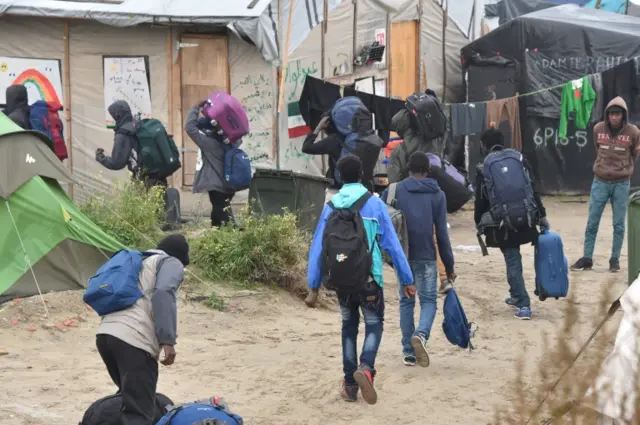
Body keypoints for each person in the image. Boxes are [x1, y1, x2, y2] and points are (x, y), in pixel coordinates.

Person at [306, 155, 414, 405]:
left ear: (340, 176)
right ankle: (366, 367)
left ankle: (350, 385)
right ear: (362, 174)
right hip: (370, 277)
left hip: (342, 279)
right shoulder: (375, 205)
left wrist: (313, 284)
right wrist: (406, 278)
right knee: (374, 323)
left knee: (348, 327)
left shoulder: (331, 206)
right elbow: (392, 245)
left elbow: (317, 249)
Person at [96, 234, 189, 425]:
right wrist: (168, 341)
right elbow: (163, 293)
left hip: (106, 336)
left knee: (130, 400)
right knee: (139, 413)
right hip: (133, 340)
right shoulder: (171, 262)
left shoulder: (139, 261)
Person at [381, 151, 455, 367]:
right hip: (427, 257)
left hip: (401, 257)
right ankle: (421, 335)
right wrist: (449, 266)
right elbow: (442, 235)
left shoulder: (393, 191)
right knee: (429, 301)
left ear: (408, 168)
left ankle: (408, 352)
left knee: (406, 301)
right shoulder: (437, 194)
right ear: (428, 170)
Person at [474, 127, 549, 320]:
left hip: (504, 223)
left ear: (484, 145)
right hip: (527, 217)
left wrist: (479, 222)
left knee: (512, 259)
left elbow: (480, 200)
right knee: (513, 259)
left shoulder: (485, 167)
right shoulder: (518, 159)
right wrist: (542, 215)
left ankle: (523, 304)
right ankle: (516, 295)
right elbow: (532, 187)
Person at [572, 97, 640, 273]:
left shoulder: (633, 132)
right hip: (600, 181)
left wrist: (624, 168)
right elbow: (598, 148)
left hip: (621, 183)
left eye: (617, 114)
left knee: (619, 224)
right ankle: (587, 258)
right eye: (611, 114)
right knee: (592, 221)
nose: (614, 117)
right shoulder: (598, 129)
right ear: (607, 115)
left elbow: (634, 154)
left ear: (623, 115)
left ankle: (614, 260)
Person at [184, 100, 236, 227]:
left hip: (216, 184)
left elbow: (190, 128)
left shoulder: (209, 144)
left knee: (222, 213)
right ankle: (219, 230)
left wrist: (195, 107)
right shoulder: (231, 141)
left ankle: (230, 233)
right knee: (220, 209)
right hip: (231, 182)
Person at [96, 100, 168, 187]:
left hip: (143, 179)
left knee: (138, 200)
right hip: (160, 176)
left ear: (117, 115)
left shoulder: (123, 133)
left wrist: (100, 158)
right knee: (160, 199)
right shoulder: (140, 125)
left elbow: (117, 163)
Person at [302, 112, 343, 202]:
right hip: (359, 187)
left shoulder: (333, 140)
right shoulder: (355, 137)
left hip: (337, 189)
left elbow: (306, 147)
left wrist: (317, 128)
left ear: (327, 124)